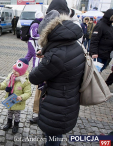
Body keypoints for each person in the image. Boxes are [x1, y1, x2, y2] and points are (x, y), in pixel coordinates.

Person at [29, 10, 85, 146]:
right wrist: (45, 53)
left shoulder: (55, 56)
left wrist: (45, 59)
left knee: (53, 137)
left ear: (48, 33)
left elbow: (34, 78)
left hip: (56, 105)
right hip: (69, 99)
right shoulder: (76, 44)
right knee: (56, 134)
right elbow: (63, 57)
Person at [0, 58, 32, 134]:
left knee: (17, 114)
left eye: (17, 71)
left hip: (18, 101)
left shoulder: (25, 81)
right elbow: (5, 84)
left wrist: (21, 97)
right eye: (14, 70)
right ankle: (9, 123)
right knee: (9, 113)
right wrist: (0, 85)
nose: (14, 72)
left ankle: (16, 125)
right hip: (10, 99)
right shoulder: (11, 77)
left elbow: (28, 93)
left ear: (22, 71)